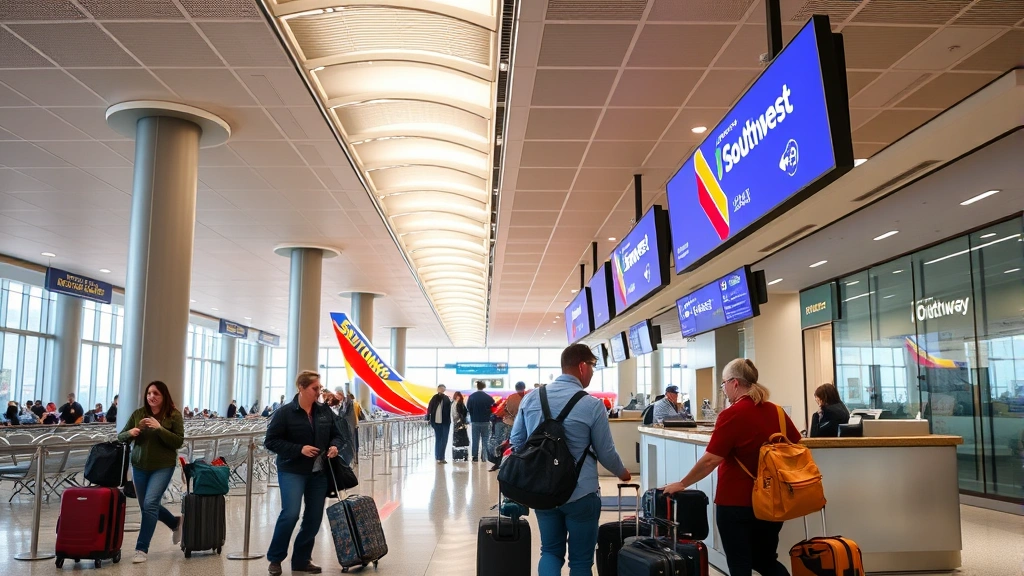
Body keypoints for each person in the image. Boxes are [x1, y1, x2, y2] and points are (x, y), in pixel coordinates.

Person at [663, 359, 800, 576]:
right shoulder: (778, 412)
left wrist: (682, 483)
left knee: (739, 565)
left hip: (737, 503)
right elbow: (795, 446)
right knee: (766, 561)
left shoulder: (732, 415)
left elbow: (711, 460)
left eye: (724, 383)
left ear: (735, 383)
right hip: (773, 499)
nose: (723, 388)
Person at [511, 344, 631, 576]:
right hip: (581, 493)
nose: (593, 373)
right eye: (593, 367)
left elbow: (517, 441)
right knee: (580, 561)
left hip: (543, 492)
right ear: (582, 366)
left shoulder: (532, 398)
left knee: (550, 552)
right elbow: (606, 452)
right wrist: (622, 473)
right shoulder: (592, 405)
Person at [264, 370, 343, 576]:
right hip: (292, 470)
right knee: (290, 514)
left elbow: (337, 435)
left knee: (314, 517)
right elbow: (271, 441)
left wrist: (334, 446)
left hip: (319, 472)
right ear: (301, 387)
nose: (319, 392)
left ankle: (301, 559)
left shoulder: (324, 412)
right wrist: (299, 449)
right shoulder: (285, 413)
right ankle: (275, 558)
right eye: (314, 388)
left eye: (319, 388)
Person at [116, 381, 185, 564]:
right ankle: (175, 523)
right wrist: (131, 432)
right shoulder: (138, 414)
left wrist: (160, 428)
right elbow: (120, 436)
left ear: (164, 396)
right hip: (139, 466)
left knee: (151, 502)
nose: (151, 396)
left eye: (156, 393)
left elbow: (178, 442)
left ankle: (141, 548)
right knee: (147, 507)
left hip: (163, 466)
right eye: (149, 393)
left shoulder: (173, 415)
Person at [489, 382, 527, 471]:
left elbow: (506, 410)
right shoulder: (527, 397)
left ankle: (505, 462)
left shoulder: (511, 397)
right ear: (524, 387)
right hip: (523, 425)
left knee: (510, 443)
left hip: (510, 423)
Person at [466, 381, 495, 462]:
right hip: (486, 421)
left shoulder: (472, 397)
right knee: (485, 439)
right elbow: (493, 407)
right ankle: (484, 456)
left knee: (475, 439)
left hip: (475, 421)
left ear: (477, 387)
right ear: (484, 387)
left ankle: (474, 457)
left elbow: (468, 408)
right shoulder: (488, 397)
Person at [426, 385, 452, 464]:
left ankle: (442, 457)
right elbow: (430, 408)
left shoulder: (447, 398)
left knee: (444, 440)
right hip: (436, 422)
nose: (441, 390)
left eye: (443, 389)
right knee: (438, 439)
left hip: (445, 422)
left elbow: (450, 409)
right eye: (440, 388)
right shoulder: (434, 398)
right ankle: (438, 457)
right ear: (438, 389)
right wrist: (428, 418)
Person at [451, 391, 469, 461]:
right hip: (460, 423)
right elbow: (463, 413)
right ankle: (463, 454)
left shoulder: (453, 403)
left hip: (457, 423)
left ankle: (458, 455)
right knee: (462, 438)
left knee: (458, 439)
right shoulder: (459, 404)